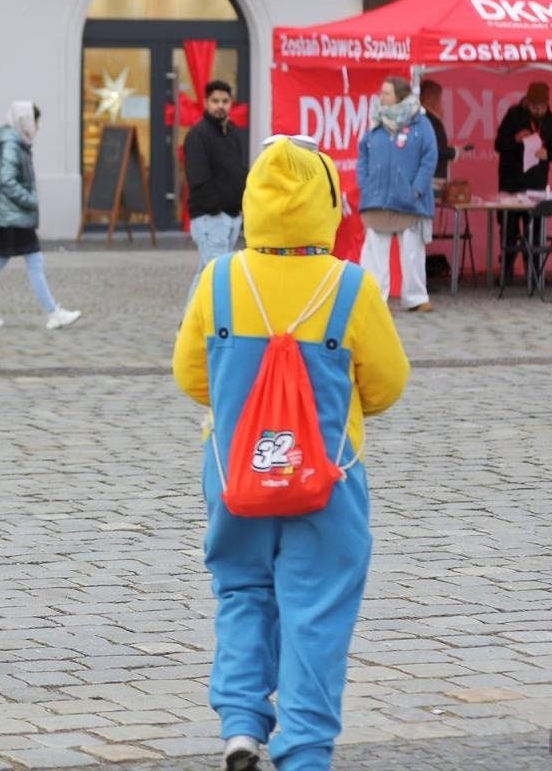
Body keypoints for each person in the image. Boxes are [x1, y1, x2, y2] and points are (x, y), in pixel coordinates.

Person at [173, 136, 409, 771]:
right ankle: (304, 750)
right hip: (325, 482)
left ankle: (243, 725)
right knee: (317, 605)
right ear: (327, 202)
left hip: (234, 475)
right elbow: (387, 386)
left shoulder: (219, 278)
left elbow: (190, 377)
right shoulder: (352, 287)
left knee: (243, 590)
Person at [0, 101, 80, 330]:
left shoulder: (16, 142)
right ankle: (53, 313)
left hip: (11, 216)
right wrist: (30, 200)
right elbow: (7, 180)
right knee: (32, 262)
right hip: (13, 216)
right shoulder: (12, 144)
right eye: (35, 120)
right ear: (25, 120)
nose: (38, 126)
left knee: (0, 259)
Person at [356, 77, 438, 313]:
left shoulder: (420, 124)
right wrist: (365, 183)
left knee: (412, 252)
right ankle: (374, 298)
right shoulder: (376, 124)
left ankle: (415, 297)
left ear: (400, 97)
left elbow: (429, 157)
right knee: (374, 253)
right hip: (377, 199)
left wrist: (417, 188)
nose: (381, 97)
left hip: (410, 200)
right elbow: (363, 155)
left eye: (386, 93)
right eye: (381, 92)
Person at [495, 81, 552, 285]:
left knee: (535, 229)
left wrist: (547, 154)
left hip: (537, 183)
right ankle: (506, 271)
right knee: (509, 228)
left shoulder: (551, 120)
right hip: (511, 181)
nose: (539, 111)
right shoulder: (514, 115)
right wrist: (515, 139)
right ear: (528, 102)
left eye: (542, 107)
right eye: (535, 107)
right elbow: (498, 144)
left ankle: (534, 272)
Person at [184, 79, 249, 294]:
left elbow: (239, 170)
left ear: (231, 103)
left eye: (225, 101)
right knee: (211, 274)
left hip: (231, 216)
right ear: (206, 102)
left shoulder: (232, 132)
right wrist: (216, 209)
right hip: (210, 217)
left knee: (211, 272)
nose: (220, 105)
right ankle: (189, 324)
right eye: (215, 101)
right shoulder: (198, 134)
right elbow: (198, 177)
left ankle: (194, 324)